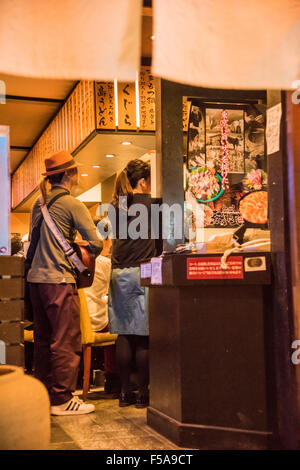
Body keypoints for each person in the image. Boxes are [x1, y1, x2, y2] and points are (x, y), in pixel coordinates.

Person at [27, 150, 102, 416]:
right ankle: (61, 399)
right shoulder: (72, 203)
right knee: (66, 339)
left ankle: (45, 396)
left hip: (35, 281)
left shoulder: (40, 203)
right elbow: (96, 243)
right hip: (58, 279)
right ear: (70, 174)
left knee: (44, 339)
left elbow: (32, 245)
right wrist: (77, 245)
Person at [108, 159, 156, 408]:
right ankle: (143, 394)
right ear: (144, 181)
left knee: (124, 335)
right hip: (142, 272)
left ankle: (125, 393)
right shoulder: (151, 204)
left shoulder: (116, 206)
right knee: (143, 337)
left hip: (118, 274)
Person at [83, 217, 120, 394]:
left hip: (79, 319)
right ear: (106, 238)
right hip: (97, 320)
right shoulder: (105, 263)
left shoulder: (79, 258)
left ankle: (83, 377)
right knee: (116, 329)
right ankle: (113, 380)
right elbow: (110, 292)